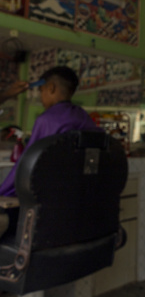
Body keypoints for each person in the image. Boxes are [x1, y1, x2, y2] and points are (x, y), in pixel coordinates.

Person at [0, 66, 101, 237]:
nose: (41, 97)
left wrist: (3, 191)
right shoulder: (84, 118)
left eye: (41, 91)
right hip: (77, 208)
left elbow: (27, 166)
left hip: (44, 211)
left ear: (51, 88)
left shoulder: (47, 120)